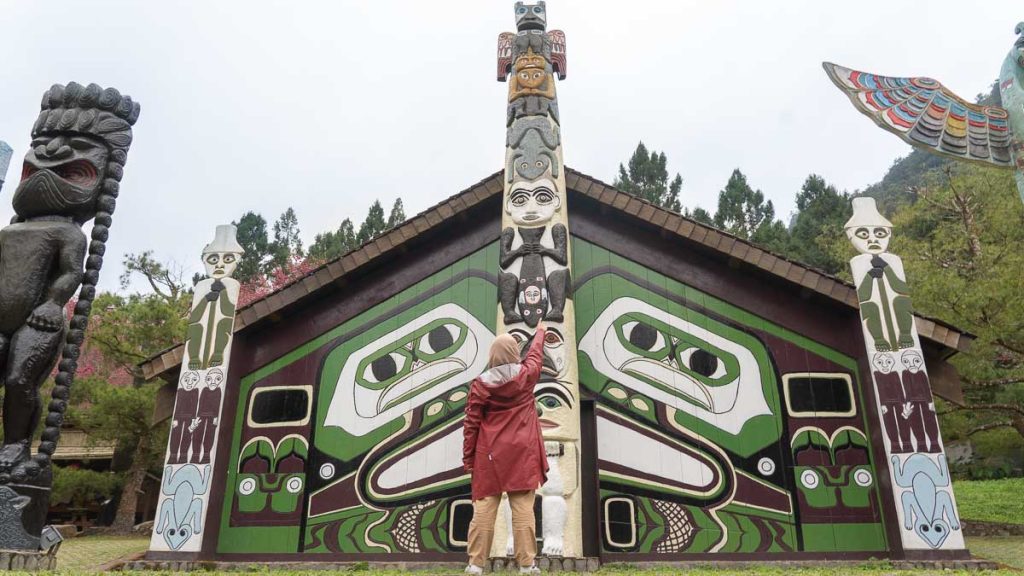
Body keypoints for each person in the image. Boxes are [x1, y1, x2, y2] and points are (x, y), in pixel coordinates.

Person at [463, 320, 549, 574]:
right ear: (514, 353)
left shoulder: (480, 385)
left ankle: (476, 565)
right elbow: (534, 355)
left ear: (492, 355)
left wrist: (469, 459)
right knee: (523, 511)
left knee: (484, 511)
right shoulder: (527, 376)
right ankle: (527, 565)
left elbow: (471, 424)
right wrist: (540, 332)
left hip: (489, 455)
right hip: (522, 453)